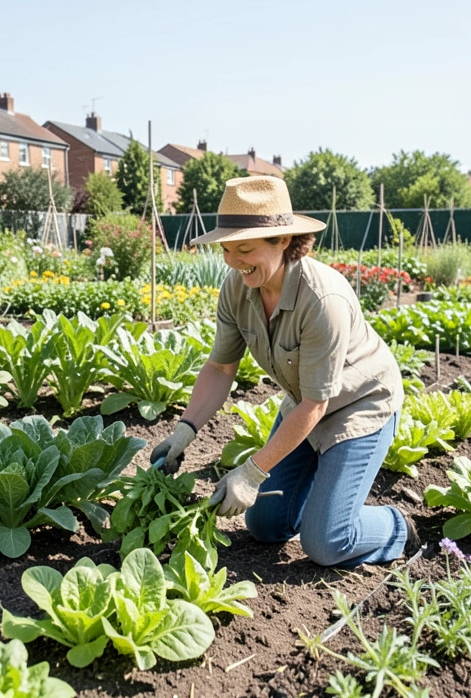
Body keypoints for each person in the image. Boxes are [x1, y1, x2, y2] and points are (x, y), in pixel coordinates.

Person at [150, 175, 417, 568]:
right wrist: (184, 431)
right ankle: (324, 504)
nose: (232, 260)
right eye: (226, 249)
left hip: (360, 407)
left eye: (243, 248)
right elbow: (221, 367)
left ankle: (395, 525)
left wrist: (252, 472)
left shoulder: (322, 299)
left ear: (285, 241)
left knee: (327, 542)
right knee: (265, 525)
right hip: (304, 405)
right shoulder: (237, 288)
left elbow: (316, 402)